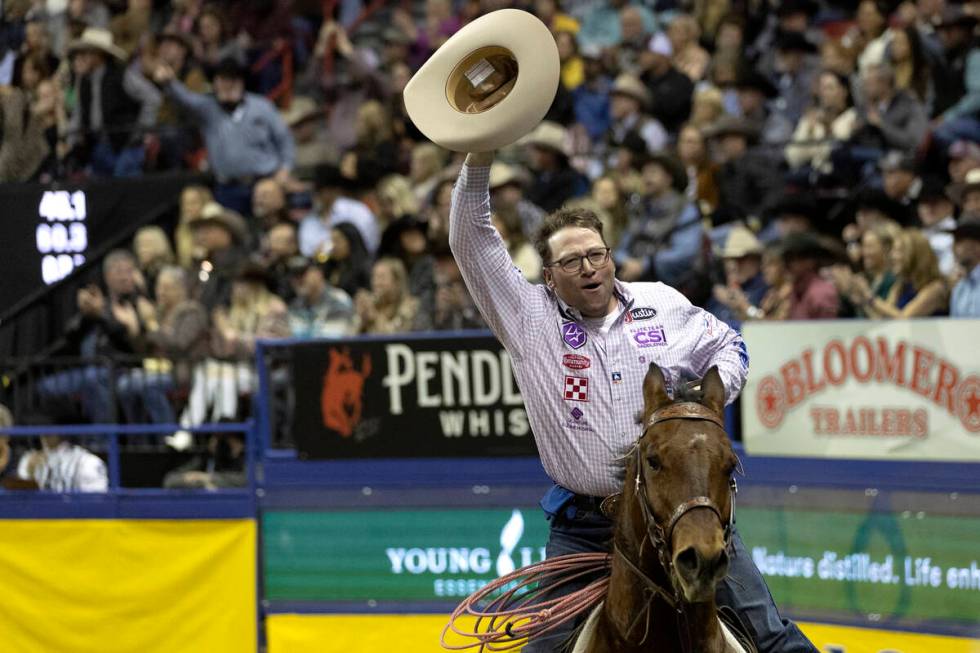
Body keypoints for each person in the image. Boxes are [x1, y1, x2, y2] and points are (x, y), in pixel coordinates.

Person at [449, 151, 816, 653]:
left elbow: (730, 346)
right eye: (571, 261)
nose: (589, 268)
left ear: (611, 255)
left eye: (597, 254)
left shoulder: (662, 303)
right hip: (588, 526)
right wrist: (480, 158)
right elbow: (471, 240)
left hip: (683, 513)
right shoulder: (528, 317)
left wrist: (703, 405)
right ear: (549, 276)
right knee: (545, 647)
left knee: (771, 636)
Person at [154, 57, 295, 215]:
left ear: (242, 82)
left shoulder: (262, 106)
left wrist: (285, 169)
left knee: (268, 227)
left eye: (232, 79)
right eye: (222, 79)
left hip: (263, 182)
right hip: (227, 188)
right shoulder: (207, 109)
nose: (227, 85)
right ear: (214, 83)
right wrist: (169, 82)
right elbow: (185, 99)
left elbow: (284, 139)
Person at [286, 256, 355, 338]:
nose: (298, 279)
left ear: (319, 273)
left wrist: (292, 337)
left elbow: (329, 343)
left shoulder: (338, 300)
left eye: (302, 273)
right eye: (294, 275)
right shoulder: (295, 306)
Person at [950, 217, 980, 317]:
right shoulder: (959, 288)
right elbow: (955, 327)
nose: (953, 248)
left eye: (959, 241)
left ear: (977, 246)